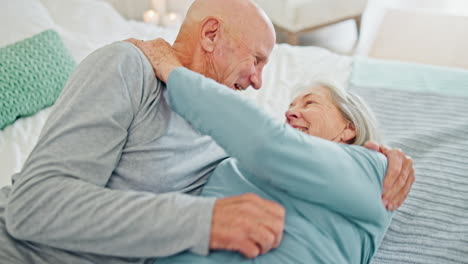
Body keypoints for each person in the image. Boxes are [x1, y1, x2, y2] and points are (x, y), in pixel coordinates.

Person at [0, 0, 414, 263]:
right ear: (212, 35)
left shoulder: (226, 123)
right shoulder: (129, 68)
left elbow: (277, 148)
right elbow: (34, 206)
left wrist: (370, 156)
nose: (257, 82)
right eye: (256, 59)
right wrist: (204, 220)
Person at [124, 42, 396, 263]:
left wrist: (171, 69)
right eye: (290, 106)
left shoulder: (376, 170)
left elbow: (267, 143)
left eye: (310, 102)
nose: (290, 113)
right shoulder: (239, 163)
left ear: (349, 128)